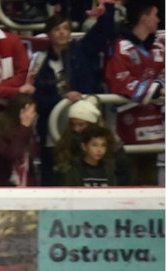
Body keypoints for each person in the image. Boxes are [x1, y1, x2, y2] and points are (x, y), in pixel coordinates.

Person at [29, 6, 116, 185]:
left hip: (83, 128)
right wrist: (61, 99)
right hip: (52, 130)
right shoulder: (40, 61)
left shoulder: (82, 50)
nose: (62, 33)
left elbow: (103, 32)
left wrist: (109, 8)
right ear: (49, 34)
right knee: (52, 174)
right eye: (57, 29)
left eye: (66, 28)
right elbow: (38, 99)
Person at [103, 0, 164, 185]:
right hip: (127, 130)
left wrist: (156, 88)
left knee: (152, 187)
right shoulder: (120, 47)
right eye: (155, 15)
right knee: (128, 183)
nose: (159, 20)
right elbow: (120, 83)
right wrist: (157, 90)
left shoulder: (159, 47)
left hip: (154, 130)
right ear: (144, 18)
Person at [51, 97, 130, 184]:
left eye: (81, 125)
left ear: (92, 123)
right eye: (73, 125)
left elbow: (123, 169)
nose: (76, 128)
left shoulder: (110, 139)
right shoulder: (67, 140)